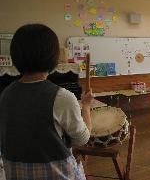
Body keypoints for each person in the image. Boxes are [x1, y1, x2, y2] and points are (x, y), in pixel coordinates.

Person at [0, 24, 93, 180]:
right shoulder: (62, 97)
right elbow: (82, 139)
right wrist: (86, 107)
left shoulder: (5, 95)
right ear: (53, 57)